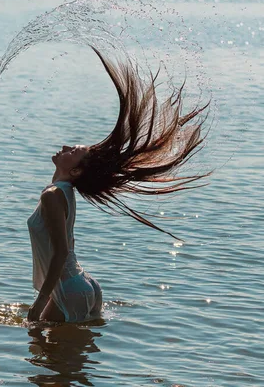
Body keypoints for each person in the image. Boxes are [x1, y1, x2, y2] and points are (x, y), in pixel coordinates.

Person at [26, 47, 210, 322]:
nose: (64, 147)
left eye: (72, 151)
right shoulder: (61, 190)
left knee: (47, 358)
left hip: (68, 290)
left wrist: (39, 304)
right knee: (69, 361)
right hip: (82, 284)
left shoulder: (54, 195)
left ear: (75, 170)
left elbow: (61, 251)